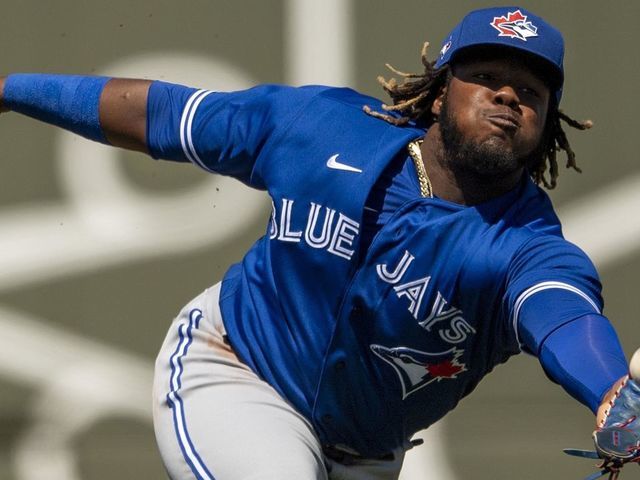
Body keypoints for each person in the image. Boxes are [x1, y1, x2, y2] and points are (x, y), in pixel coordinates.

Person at [1, 5, 638, 480]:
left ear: (546, 120)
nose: (507, 95)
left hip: (367, 457)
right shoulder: (320, 128)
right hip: (237, 374)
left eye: (530, 91)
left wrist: (612, 390)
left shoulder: (526, 246)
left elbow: (562, 316)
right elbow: (163, 115)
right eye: (486, 75)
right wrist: (9, 89)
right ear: (442, 90)